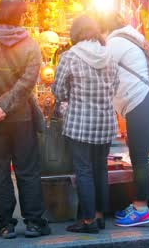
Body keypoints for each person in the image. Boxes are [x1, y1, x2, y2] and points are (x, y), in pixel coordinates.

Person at [0, 0, 51, 239]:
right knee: (27, 170)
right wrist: (5, 105)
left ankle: (5, 224)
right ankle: (34, 222)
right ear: (21, 15)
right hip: (22, 118)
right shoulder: (30, 45)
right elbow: (27, 84)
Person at [52, 15, 119, 234]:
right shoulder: (109, 55)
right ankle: (99, 216)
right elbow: (116, 85)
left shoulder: (70, 56)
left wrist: (71, 96)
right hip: (106, 122)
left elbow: (59, 90)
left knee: (84, 171)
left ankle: (88, 220)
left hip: (80, 123)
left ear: (76, 33)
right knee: (100, 169)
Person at [103, 15, 149, 227]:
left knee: (138, 157)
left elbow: (100, 66)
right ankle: (140, 203)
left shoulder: (115, 42)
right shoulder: (134, 37)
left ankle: (141, 209)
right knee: (140, 155)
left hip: (141, 102)